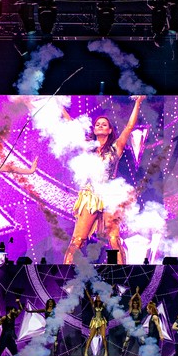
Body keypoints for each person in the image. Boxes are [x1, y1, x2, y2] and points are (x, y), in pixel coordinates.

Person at [63, 96, 145, 263]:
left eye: (104, 124)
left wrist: (138, 102)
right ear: (94, 130)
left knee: (114, 239)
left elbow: (129, 127)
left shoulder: (116, 147)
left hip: (109, 195)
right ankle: (66, 273)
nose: (100, 126)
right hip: (90, 196)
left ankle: (122, 272)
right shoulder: (88, 147)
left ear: (109, 130)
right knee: (78, 240)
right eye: (97, 124)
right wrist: (58, 106)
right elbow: (71, 125)